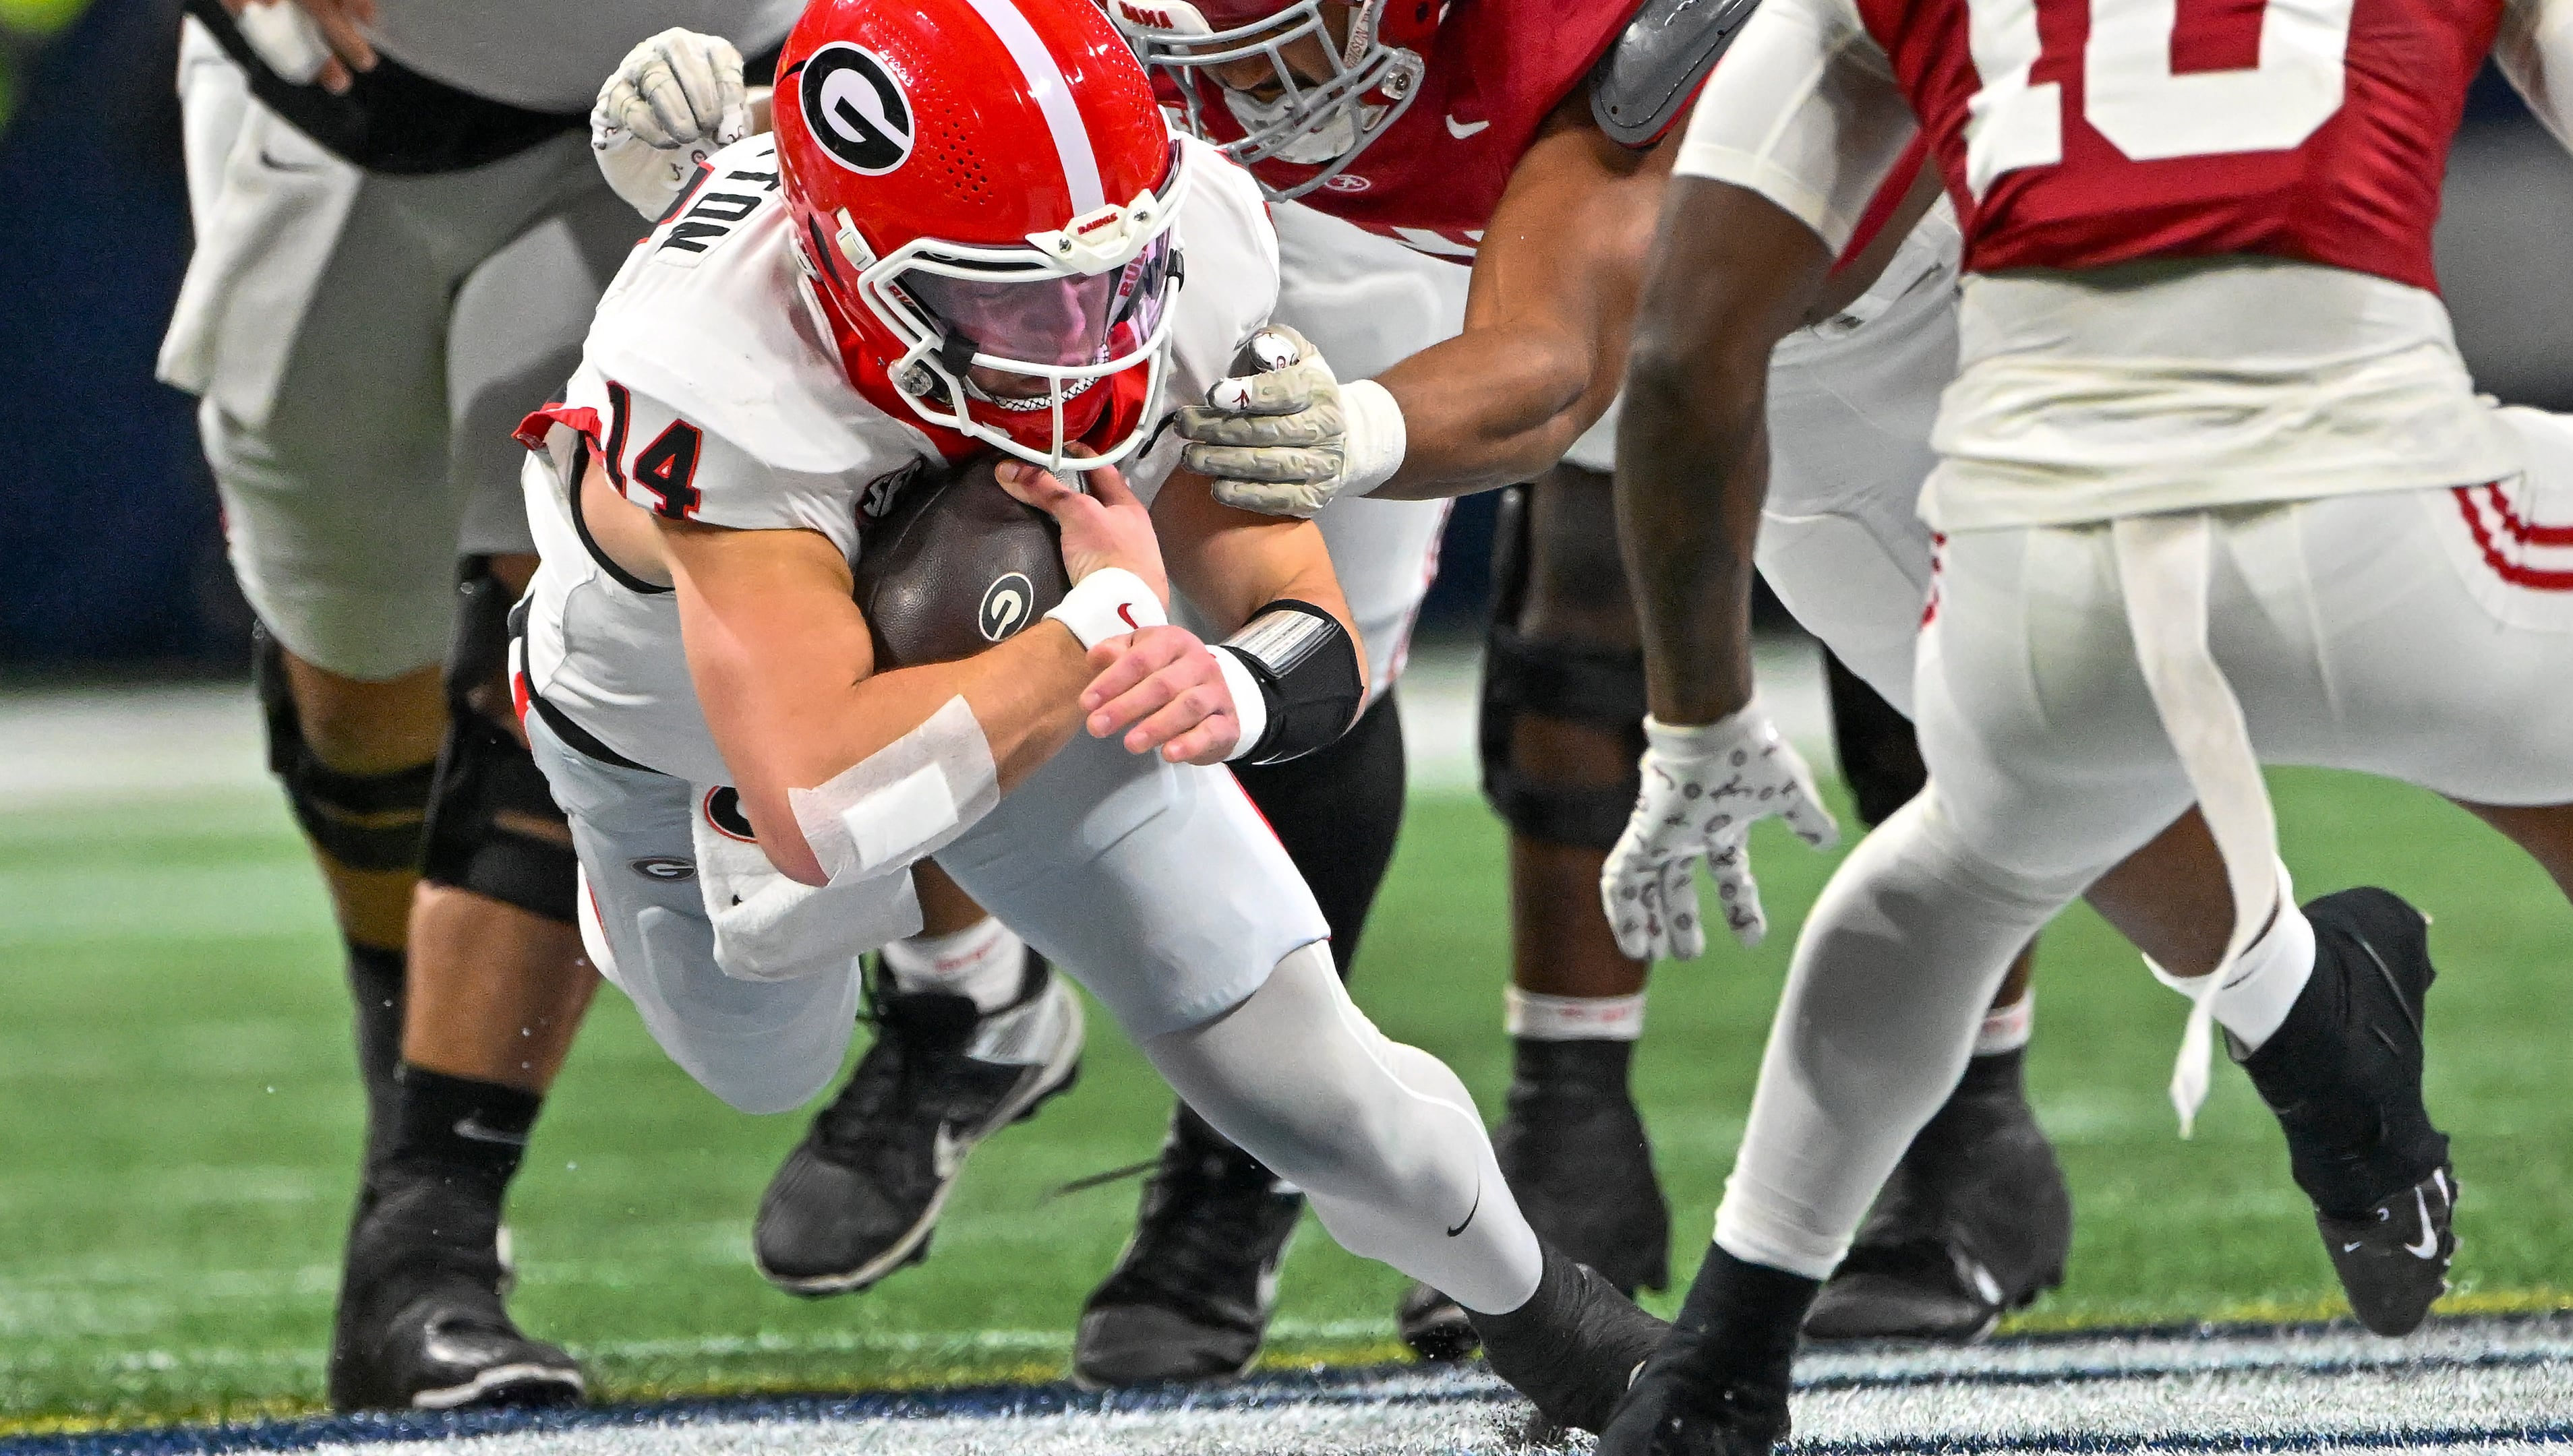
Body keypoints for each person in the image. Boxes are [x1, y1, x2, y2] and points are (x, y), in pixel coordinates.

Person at [513, 0, 1669, 1434]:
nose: (1072, 342)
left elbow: (1304, 627)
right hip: (692, 741)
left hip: (1019, 661)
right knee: (766, 1058)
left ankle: (1562, 1325)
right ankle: (967, 984)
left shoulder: (1176, 242)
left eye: (1105, 283)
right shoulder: (722, 368)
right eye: (1004, 300)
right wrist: (1106, 617)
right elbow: (821, 807)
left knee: (1301, 1063)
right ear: (844, 265)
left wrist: (1228, 685)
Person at [1593, 0, 2573, 1441]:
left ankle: (1719, 1370)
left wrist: (1699, 723)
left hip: (2045, 584)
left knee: (1958, 870)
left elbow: (1683, 362)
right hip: (2388, 538)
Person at [1098, 0, 2071, 1356]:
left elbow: (1554, 364)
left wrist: (1358, 425)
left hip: (1894, 180)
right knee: (1578, 624)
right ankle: (1572, 1120)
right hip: (1596, 208)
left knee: (1946, 655)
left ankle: (1987, 1124)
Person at [156, 0, 798, 1409]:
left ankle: (427, 1242)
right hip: (343, 110)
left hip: (695, 99)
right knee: (357, 681)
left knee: (580, 627)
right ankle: (400, 1024)